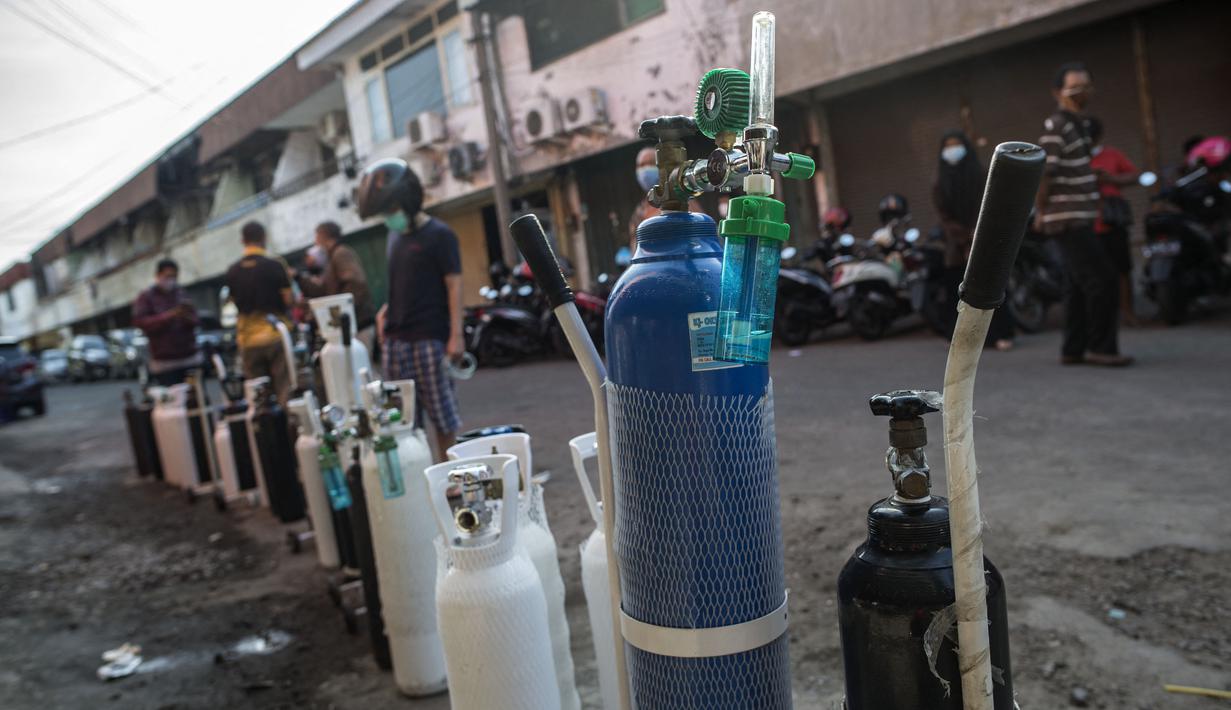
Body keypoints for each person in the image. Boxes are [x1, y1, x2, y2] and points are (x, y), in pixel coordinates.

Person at [355, 159, 462, 461]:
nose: (388, 218)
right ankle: (422, 474)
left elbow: (454, 285)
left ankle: (449, 473)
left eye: (390, 210)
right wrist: (385, 311)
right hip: (395, 341)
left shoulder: (440, 235)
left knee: (442, 417)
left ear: (408, 201)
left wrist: (456, 336)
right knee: (403, 420)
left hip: (430, 338)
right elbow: (402, 282)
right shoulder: (394, 238)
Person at [1034, 62, 1132, 367]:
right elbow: (1044, 173)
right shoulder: (1057, 125)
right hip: (1068, 219)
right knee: (1102, 280)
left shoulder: (1079, 126)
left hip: (1078, 216)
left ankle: (1073, 349)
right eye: (1074, 86)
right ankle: (1100, 347)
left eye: (1085, 86)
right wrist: (1041, 211)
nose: (1081, 92)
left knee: (1076, 284)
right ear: (1057, 92)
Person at [933, 130, 1014, 349]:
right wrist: (964, 238)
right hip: (956, 247)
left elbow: (990, 207)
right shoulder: (940, 184)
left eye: (956, 145)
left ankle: (999, 335)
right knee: (959, 295)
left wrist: (976, 237)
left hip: (984, 240)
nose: (952, 151)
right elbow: (944, 217)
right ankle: (963, 340)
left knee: (990, 290)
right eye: (947, 146)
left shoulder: (983, 176)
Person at [225, 221, 294, 402]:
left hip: (247, 340)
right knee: (284, 389)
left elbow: (233, 302)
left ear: (242, 240)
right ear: (264, 238)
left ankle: (264, 428)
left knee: (258, 395)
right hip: (275, 335)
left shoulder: (232, 271)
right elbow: (289, 300)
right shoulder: (275, 265)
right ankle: (289, 427)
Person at [1086, 117, 1141, 325]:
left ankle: (1127, 311)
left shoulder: (1111, 154)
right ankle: (1102, 317)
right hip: (1087, 223)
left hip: (1112, 219)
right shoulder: (1076, 159)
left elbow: (1134, 175)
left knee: (1122, 268)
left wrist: (1110, 179)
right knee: (1094, 273)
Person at [295, 221, 377, 352]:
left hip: (358, 324)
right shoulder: (332, 258)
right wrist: (299, 278)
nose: (316, 243)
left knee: (362, 367)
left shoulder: (341, 254)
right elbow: (323, 291)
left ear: (324, 237)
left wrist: (342, 314)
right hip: (351, 325)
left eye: (317, 238)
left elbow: (356, 284)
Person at [132, 258, 201, 385]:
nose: (171, 280)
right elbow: (141, 322)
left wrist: (185, 316)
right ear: (158, 275)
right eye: (168, 276)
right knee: (174, 401)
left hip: (190, 357)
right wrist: (170, 316)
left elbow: (196, 320)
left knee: (196, 398)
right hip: (165, 362)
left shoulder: (181, 293)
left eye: (174, 276)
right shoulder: (146, 297)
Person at [628, 146, 661, 250]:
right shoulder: (639, 211)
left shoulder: (680, 202)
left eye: (650, 163)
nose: (645, 170)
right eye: (641, 165)